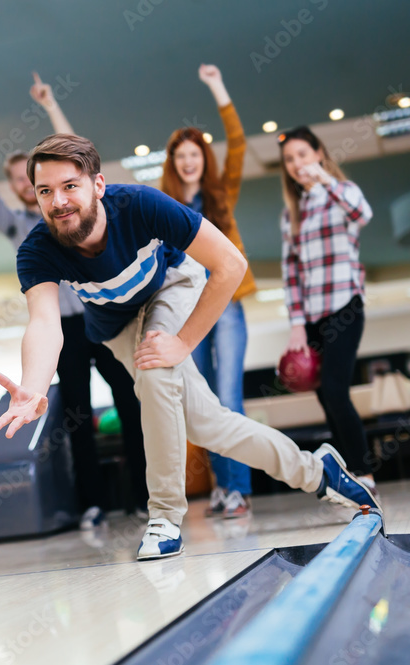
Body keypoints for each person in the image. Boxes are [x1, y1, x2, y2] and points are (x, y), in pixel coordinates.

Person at [0, 133, 380, 561]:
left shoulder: (141, 205)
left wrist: (184, 342)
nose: (58, 201)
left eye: (70, 186)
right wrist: (34, 386)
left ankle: (164, 517)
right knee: (209, 425)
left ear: (97, 186)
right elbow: (46, 324)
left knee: (156, 369)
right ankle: (317, 472)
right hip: (117, 326)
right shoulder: (38, 248)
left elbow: (231, 264)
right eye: (45, 191)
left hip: (172, 286)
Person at [0, 77, 148, 529]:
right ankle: (94, 504)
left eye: (36, 178)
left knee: (130, 403)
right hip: (61, 331)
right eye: (24, 182)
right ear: (22, 189)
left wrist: (50, 103)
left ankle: (141, 497)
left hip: (101, 316)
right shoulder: (20, 226)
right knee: (77, 416)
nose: (31, 186)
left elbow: (77, 153)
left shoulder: (74, 208)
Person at [159, 64, 254, 519]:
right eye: (181, 156)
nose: (188, 161)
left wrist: (218, 86)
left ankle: (238, 489)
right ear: (174, 164)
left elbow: (238, 143)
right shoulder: (166, 206)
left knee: (229, 396)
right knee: (204, 403)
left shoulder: (221, 193)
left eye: (195, 153)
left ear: (203, 158)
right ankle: (222, 488)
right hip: (190, 311)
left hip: (228, 306)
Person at [278, 126, 377, 494]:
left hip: (345, 304)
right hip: (313, 316)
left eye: (303, 155)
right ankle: (351, 478)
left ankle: (364, 475)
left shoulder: (343, 192)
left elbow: (362, 214)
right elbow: (291, 273)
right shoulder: (291, 214)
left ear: (318, 153)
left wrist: (324, 179)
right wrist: (297, 325)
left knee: (336, 390)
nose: (296, 164)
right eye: (290, 159)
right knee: (325, 397)